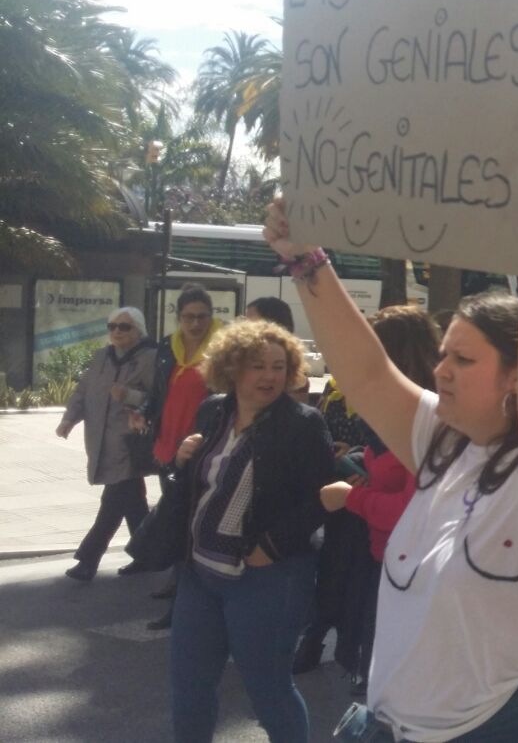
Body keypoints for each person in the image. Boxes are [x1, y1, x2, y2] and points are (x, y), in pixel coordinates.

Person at [262, 174, 518, 741]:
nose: (440, 371)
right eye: (443, 354)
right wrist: (304, 259)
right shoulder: (442, 441)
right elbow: (368, 372)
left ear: (516, 377)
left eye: (464, 360)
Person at [168, 319, 336, 743]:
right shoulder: (213, 410)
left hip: (266, 577)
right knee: (190, 686)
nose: (269, 376)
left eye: (278, 366)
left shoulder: (302, 423)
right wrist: (182, 459)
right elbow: (196, 488)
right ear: (232, 367)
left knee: (269, 691)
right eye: (257, 365)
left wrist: (271, 547)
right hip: (199, 572)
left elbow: (319, 499)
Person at [307, 305, 436, 692]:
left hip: (408, 571)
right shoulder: (392, 412)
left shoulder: (422, 419)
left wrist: (351, 498)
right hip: (381, 559)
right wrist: (362, 457)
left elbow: (411, 512)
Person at [137, 283, 224, 630]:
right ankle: (178, 582)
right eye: (189, 317)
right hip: (168, 446)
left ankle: (184, 601)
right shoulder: (168, 348)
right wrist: (145, 414)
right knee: (176, 516)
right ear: (179, 318)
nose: (196, 323)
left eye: (202, 317)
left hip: (200, 450)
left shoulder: (221, 351)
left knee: (191, 521)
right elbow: (159, 392)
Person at [57, 306, 159, 580]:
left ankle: (88, 559)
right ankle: (148, 555)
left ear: (138, 330)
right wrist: (69, 419)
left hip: (129, 444)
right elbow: (83, 391)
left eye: (123, 327)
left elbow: (158, 399)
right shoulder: (102, 356)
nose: (116, 331)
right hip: (100, 441)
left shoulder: (150, 358)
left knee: (113, 502)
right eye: (112, 326)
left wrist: (129, 396)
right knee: (133, 503)